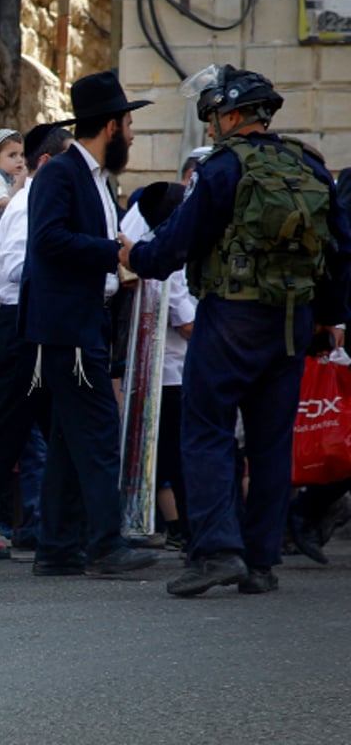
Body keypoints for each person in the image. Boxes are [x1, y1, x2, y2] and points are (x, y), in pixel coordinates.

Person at [119, 64, 351, 596]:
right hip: (293, 322)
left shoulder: (223, 168)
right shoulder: (310, 167)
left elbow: (181, 239)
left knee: (206, 432)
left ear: (229, 115)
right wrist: (327, 318)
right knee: (271, 443)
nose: (211, 127)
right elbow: (342, 250)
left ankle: (217, 552)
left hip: (230, 317)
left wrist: (142, 257)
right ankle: (263, 561)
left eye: (214, 117)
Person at [20, 71, 158, 577]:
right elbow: (48, 241)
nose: (133, 134)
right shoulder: (60, 173)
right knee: (99, 433)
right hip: (66, 327)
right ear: (110, 126)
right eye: (128, 123)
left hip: (83, 323)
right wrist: (112, 252)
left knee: (67, 438)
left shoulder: (97, 179)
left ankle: (56, 547)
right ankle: (105, 543)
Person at [0, 123, 72, 561]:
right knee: (6, 434)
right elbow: (10, 270)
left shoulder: (47, 199)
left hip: (45, 324)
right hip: (26, 324)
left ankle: (63, 533)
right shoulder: (30, 201)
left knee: (62, 431)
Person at [118, 181, 194, 551]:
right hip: (171, 374)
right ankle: (186, 530)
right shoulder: (168, 260)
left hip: (172, 372)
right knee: (178, 459)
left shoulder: (166, 251)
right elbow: (187, 323)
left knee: (174, 457)